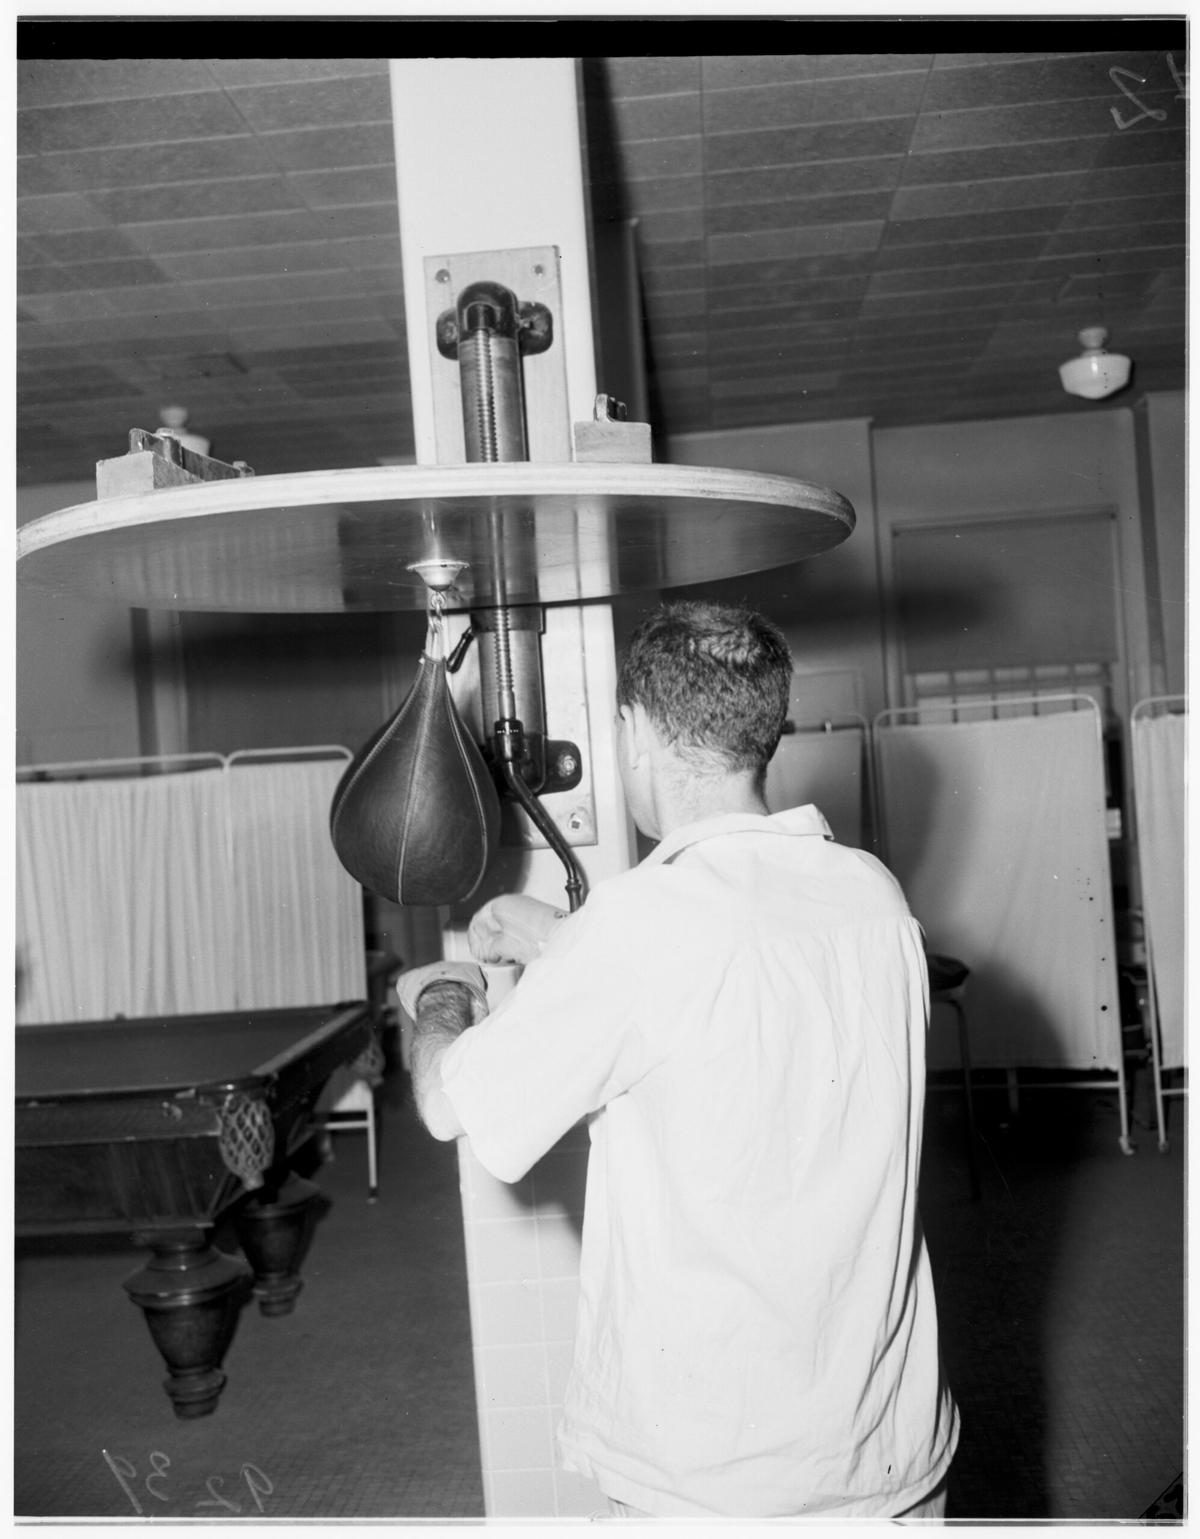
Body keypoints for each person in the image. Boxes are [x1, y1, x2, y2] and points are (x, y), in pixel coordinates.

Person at [397, 600, 959, 1520]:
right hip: (888, 1453)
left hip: (717, 1484)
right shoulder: (873, 893)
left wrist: (442, 994)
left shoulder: (639, 930)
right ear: (765, 728)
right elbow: (729, 997)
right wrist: (561, 939)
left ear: (635, 732)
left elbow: (446, 1102)